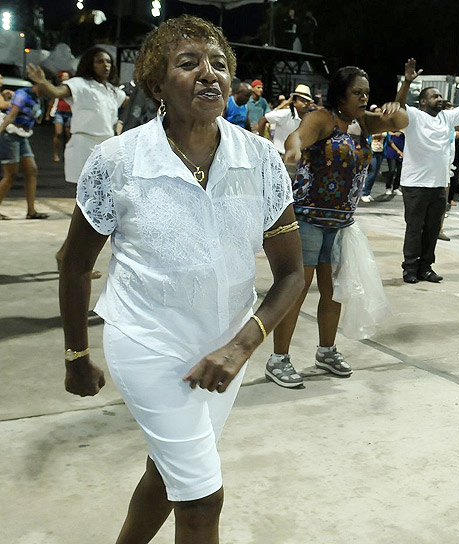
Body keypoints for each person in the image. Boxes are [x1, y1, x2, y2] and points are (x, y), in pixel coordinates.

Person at [57, 15, 304, 543]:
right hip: (147, 340)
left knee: (168, 475)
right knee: (202, 497)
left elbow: (291, 272)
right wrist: (77, 356)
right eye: (188, 64)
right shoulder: (117, 161)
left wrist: (240, 347)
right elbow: (74, 263)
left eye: (219, 64)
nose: (209, 75)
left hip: (224, 348)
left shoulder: (259, 159)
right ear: (156, 85)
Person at [264, 65, 408, 388]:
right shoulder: (323, 119)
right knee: (297, 289)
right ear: (340, 95)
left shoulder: (363, 123)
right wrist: (294, 148)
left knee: (334, 291)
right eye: (357, 92)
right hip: (308, 218)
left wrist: (395, 107)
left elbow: (401, 123)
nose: (364, 97)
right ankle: (278, 360)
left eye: (367, 93)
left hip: (341, 223)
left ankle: (326, 351)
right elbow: (298, 135)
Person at [27, 47, 128, 277]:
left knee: (93, 209)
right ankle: (74, 259)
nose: (106, 65)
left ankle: (68, 256)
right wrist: (43, 83)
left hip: (107, 149)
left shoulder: (112, 90)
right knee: (90, 208)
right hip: (85, 148)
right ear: (89, 64)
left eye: (108, 62)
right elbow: (56, 91)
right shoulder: (80, 84)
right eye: (100, 61)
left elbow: (133, 104)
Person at [395, 58, 459, 283]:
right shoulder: (413, 116)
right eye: (434, 96)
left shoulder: (446, 118)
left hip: (438, 184)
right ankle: (410, 268)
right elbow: (399, 106)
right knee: (414, 229)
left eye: (440, 96)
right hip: (415, 185)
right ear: (422, 101)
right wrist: (407, 83)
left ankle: (426, 267)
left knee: (432, 230)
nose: (440, 98)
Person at [0, 82, 49, 220]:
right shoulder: (24, 94)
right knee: (10, 174)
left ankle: (31, 211)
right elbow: (11, 115)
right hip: (10, 135)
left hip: (22, 136)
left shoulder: (37, 98)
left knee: (32, 170)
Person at [257, 83, 313, 158]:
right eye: (302, 101)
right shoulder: (285, 113)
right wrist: (260, 142)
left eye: (308, 101)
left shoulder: (308, 118)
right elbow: (263, 120)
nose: (306, 104)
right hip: (279, 155)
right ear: (294, 102)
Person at [360, 105, 387, 202]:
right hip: (372, 150)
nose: (379, 113)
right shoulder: (371, 124)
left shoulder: (383, 124)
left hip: (380, 150)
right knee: (371, 172)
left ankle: (368, 192)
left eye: (381, 111)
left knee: (375, 173)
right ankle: (364, 193)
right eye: (377, 111)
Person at [46, 70, 72, 162]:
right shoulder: (58, 89)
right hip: (59, 112)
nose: (65, 78)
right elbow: (52, 100)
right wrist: (48, 113)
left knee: (68, 134)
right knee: (58, 133)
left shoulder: (72, 89)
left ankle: (67, 153)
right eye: (64, 76)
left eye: (67, 76)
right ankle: (55, 154)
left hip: (70, 113)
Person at [384, 130, 404, 195]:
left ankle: (396, 188)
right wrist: (398, 151)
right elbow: (389, 139)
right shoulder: (392, 128)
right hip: (392, 151)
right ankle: (388, 187)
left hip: (402, 151)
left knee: (399, 171)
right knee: (392, 170)